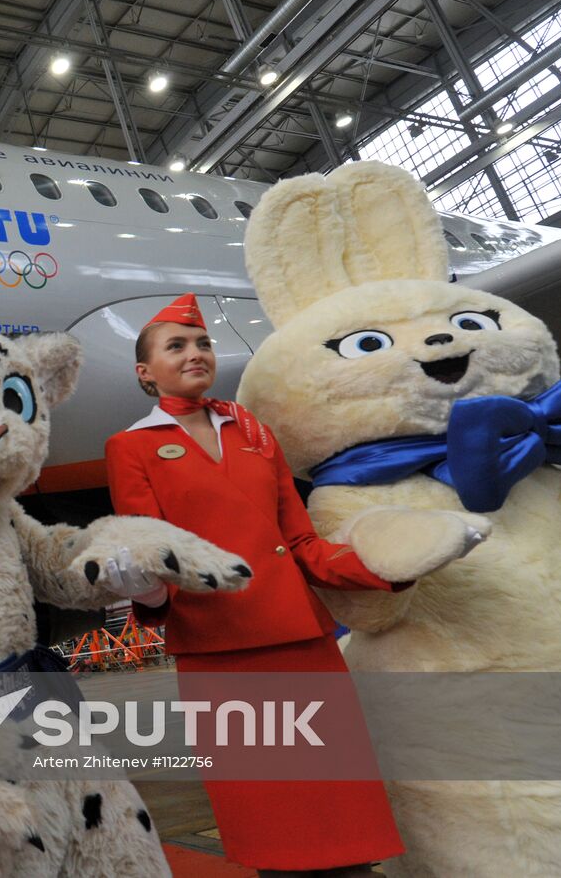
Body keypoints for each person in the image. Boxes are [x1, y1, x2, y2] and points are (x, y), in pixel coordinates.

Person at [102, 294, 405, 878]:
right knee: (272, 821)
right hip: (219, 648)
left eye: (203, 343)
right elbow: (152, 556)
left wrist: (389, 566)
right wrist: (142, 589)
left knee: (341, 810)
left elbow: (302, 544)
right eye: (177, 346)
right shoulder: (131, 447)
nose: (195, 353)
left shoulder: (253, 433)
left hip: (299, 638)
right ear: (145, 372)